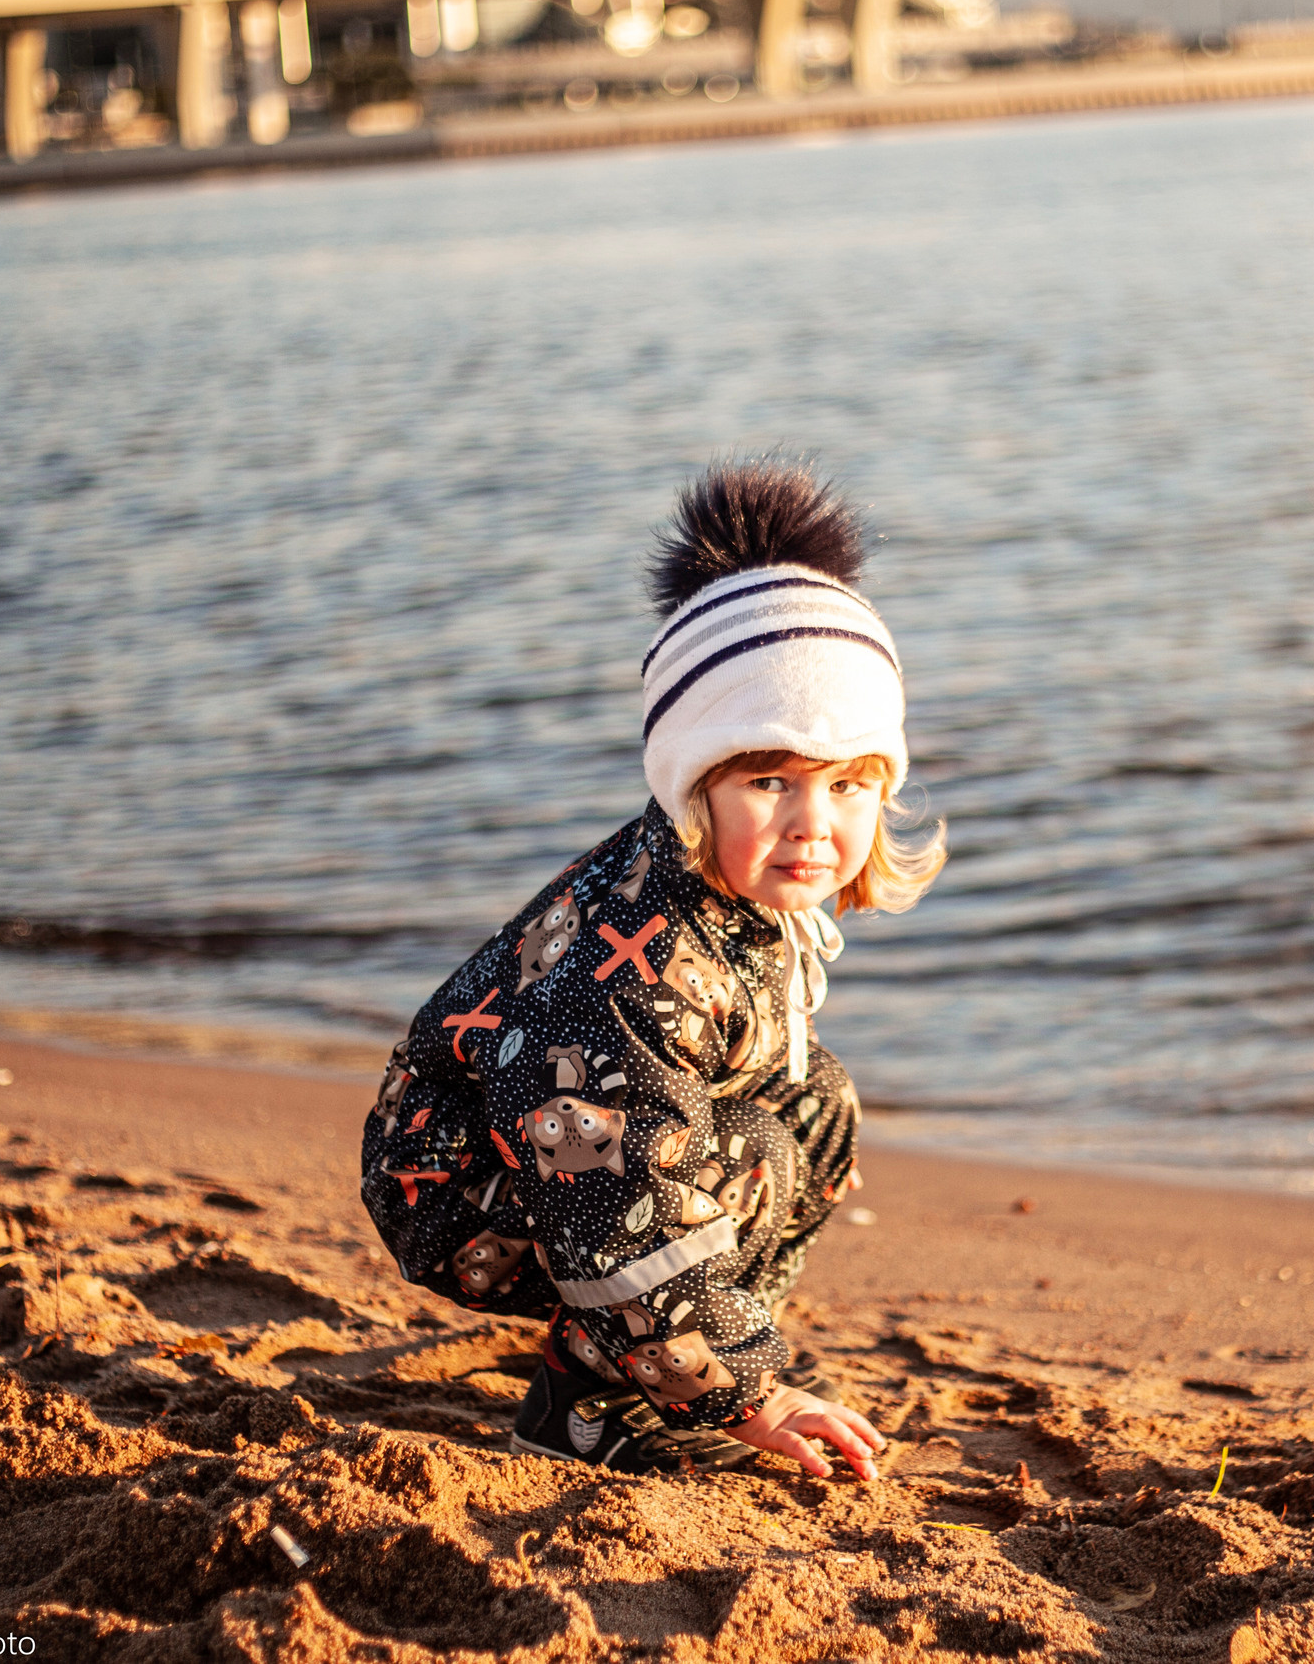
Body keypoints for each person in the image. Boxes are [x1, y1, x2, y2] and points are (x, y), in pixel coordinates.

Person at [360, 462, 943, 1482]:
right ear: (692, 785)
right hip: (458, 1179)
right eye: (770, 780)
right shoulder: (634, 961)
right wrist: (751, 1396)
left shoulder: (744, 907)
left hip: (561, 1151)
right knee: (748, 1142)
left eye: (851, 785)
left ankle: (668, 1354)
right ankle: (594, 1401)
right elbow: (615, 1193)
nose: (816, 823)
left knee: (814, 1105)